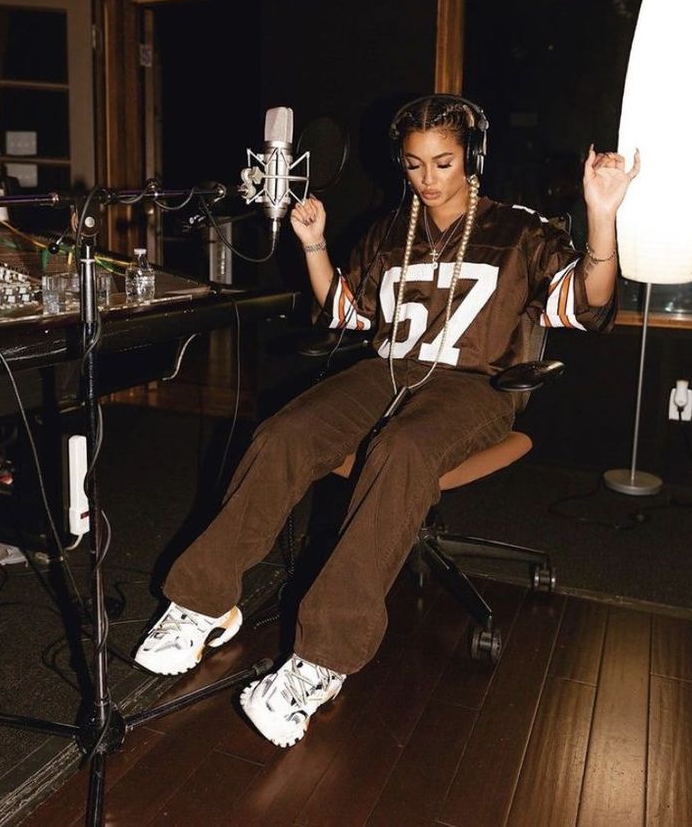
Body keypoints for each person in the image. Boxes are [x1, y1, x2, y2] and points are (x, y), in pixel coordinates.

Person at [135, 94, 639, 748]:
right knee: (283, 433)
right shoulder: (388, 230)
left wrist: (602, 216)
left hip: (477, 385)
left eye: (443, 162)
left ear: (472, 158)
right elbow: (345, 313)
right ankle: (203, 602)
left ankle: (322, 660)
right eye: (414, 164)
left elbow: (588, 306)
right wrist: (314, 247)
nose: (428, 178)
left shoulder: (521, 232)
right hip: (387, 370)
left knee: (400, 449)